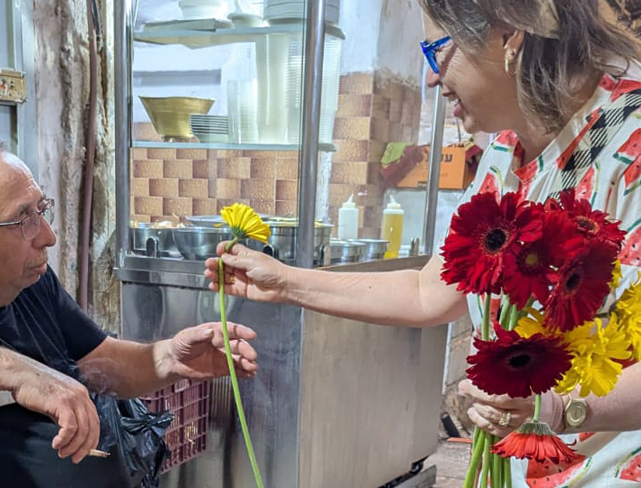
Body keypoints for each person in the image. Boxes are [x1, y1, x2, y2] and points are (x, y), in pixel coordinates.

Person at [206, 0, 641, 485]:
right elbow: (428, 291)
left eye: (437, 49)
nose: (431, 77)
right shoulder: (504, 151)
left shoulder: (631, 144)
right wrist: (285, 283)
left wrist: (559, 407)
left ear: (508, 34)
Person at [0, 138, 259, 488]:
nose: (48, 236)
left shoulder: (27, 281)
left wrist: (168, 358)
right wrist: (18, 371)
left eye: (41, 209)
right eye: (22, 221)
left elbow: (99, 361)